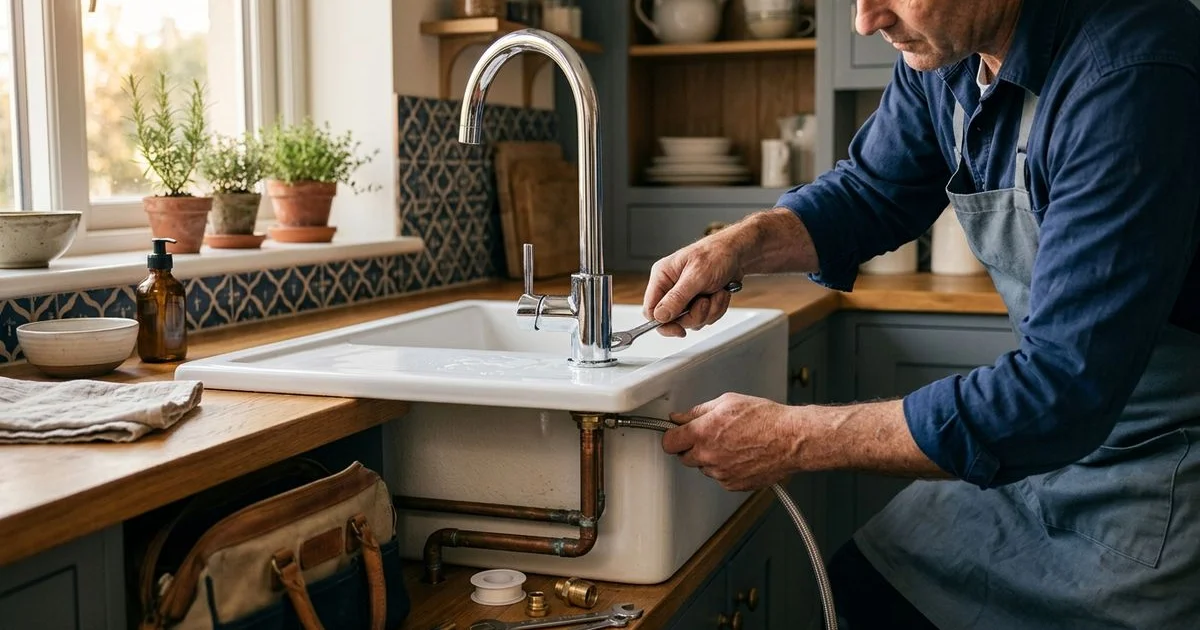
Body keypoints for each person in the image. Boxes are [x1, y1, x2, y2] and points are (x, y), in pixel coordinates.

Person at [640, 0, 1200, 628]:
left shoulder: (1131, 74)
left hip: (1163, 470)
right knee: (867, 592)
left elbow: (1063, 388)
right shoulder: (947, 51)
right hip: (1046, 452)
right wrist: (739, 245)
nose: (865, 19)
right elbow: (873, 190)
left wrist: (793, 437)